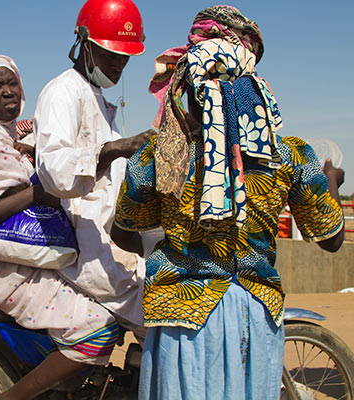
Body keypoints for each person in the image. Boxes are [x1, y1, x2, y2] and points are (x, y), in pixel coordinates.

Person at [112, 6, 345, 399]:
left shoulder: (161, 155)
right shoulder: (288, 156)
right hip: (254, 320)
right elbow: (331, 239)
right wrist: (333, 181)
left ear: (189, 87)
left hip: (181, 321)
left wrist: (176, 245)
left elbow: (123, 232)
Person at [0, 54, 122, 400]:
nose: (9, 92)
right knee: (98, 330)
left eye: (13, 83)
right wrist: (35, 194)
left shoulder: (5, 136)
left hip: (20, 255)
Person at [33, 0, 153, 342]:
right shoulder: (64, 92)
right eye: (109, 54)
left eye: (124, 56)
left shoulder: (95, 98)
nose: (119, 64)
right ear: (83, 44)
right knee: (166, 321)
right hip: (86, 251)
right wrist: (116, 149)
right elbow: (54, 169)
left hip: (109, 243)